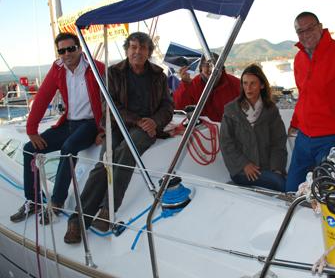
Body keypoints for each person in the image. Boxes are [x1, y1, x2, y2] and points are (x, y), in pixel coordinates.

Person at [64, 32, 174, 244]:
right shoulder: (114, 73)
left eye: (142, 48)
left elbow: (168, 106)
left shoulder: (158, 75)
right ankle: (79, 220)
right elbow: (108, 105)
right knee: (104, 162)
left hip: (146, 129)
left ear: (149, 52)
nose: (137, 52)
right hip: (117, 125)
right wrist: (137, 120)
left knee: (127, 149)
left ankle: (107, 211)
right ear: (126, 50)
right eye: (133, 47)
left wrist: (154, 122)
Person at [10, 32, 105, 224]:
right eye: (62, 51)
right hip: (68, 123)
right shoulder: (58, 68)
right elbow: (43, 97)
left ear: (79, 48)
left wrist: (103, 129)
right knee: (29, 149)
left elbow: (111, 101)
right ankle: (34, 201)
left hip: (90, 124)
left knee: (69, 148)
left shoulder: (96, 68)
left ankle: (57, 202)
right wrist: (32, 130)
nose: (67, 54)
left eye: (71, 49)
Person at [286, 12, 335, 191]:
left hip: (332, 136)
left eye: (310, 28)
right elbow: (303, 95)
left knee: (327, 190)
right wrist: (295, 123)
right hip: (304, 137)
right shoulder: (299, 59)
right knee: (291, 189)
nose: (305, 34)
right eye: (300, 31)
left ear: (320, 27)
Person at [220, 64, 287, 191]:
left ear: (262, 85)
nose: (248, 88)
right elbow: (226, 143)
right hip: (241, 171)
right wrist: (244, 165)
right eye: (245, 83)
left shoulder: (271, 110)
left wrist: (277, 169)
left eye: (253, 83)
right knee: (281, 184)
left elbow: (278, 142)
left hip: (266, 168)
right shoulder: (231, 110)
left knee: (285, 180)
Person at [173, 53, 240, 122]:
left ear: (222, 68)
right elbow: (179, 107)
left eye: (215, 65)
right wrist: (185, 84)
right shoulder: (193, 84)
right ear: (201, 68)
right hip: (205, 129)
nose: (211, 69)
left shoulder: (236, 84)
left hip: (230, 127)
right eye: (206, 65)